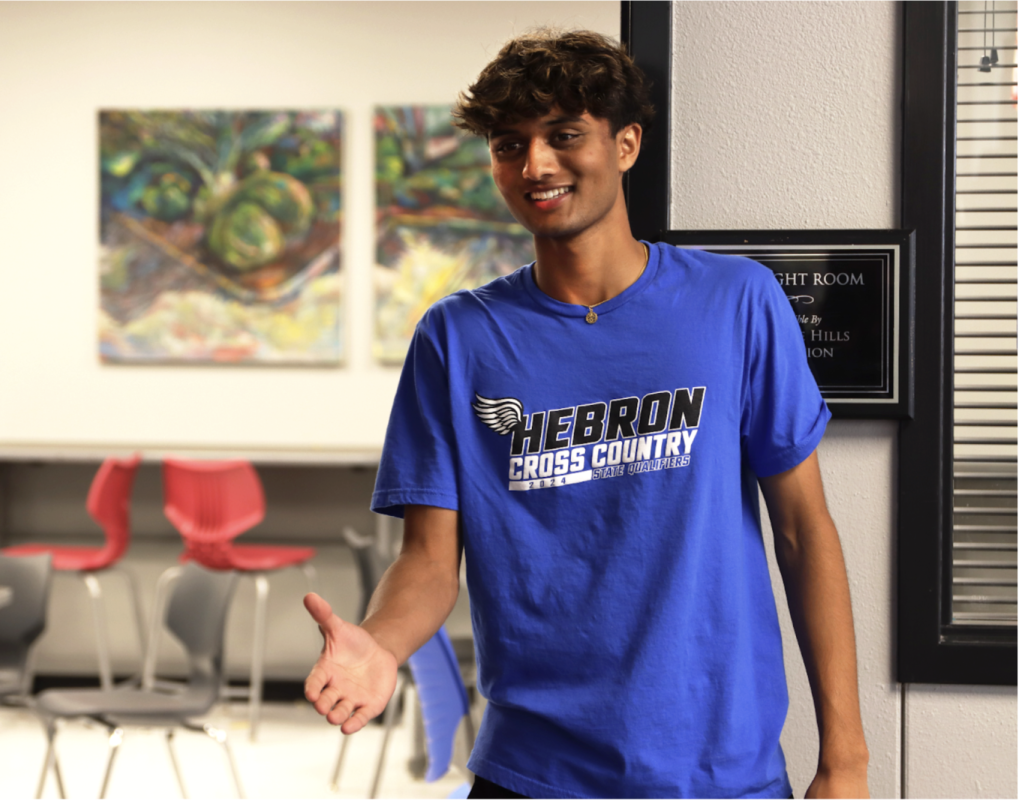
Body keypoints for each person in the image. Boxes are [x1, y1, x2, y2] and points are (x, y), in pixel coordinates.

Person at [302, 29, 870, 799]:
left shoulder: (736, 303)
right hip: (535, 770)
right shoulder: (458, 336)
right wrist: (381, 644)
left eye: (564, 136)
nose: (535, 165)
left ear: (626, 143)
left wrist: (846, 758)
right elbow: (431, 560)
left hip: (719, 772)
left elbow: (805, 533)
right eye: (511, 144)